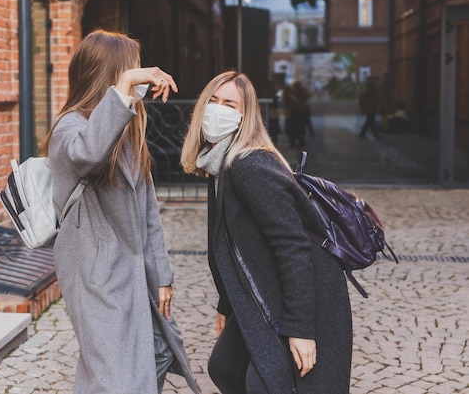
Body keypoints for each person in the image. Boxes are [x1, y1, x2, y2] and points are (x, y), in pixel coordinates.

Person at [42, 30, 199, 394]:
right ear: (110, 75)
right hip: (96, 275)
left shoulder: (126, 132)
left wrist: (162, 275)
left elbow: (147, 211)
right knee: (114, 377)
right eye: (132, 70)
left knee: (158, 351)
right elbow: (87, 154)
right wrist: (126, 86)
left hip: (132, 272)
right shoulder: (70, 127)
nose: (141, 76)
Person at [180, 71, 353, 394]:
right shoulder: (220, 164)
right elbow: (231, 245)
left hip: (306, 296)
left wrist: (301, 330)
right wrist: (226, 304)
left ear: (245, 116)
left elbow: (293, 247)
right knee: (225, 368)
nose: (218, 110)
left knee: (266, 384)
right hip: (265, 290)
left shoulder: (249, 166)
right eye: (212, 102)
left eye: (229, 104)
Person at [283, 80, 312, 148]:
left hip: (297, 112)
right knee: (294, 128)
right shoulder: (290, 92)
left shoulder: (299, 92)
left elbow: (307, 96)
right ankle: (294, 141)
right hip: (294, 112)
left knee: (297, 128)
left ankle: (297, 141)